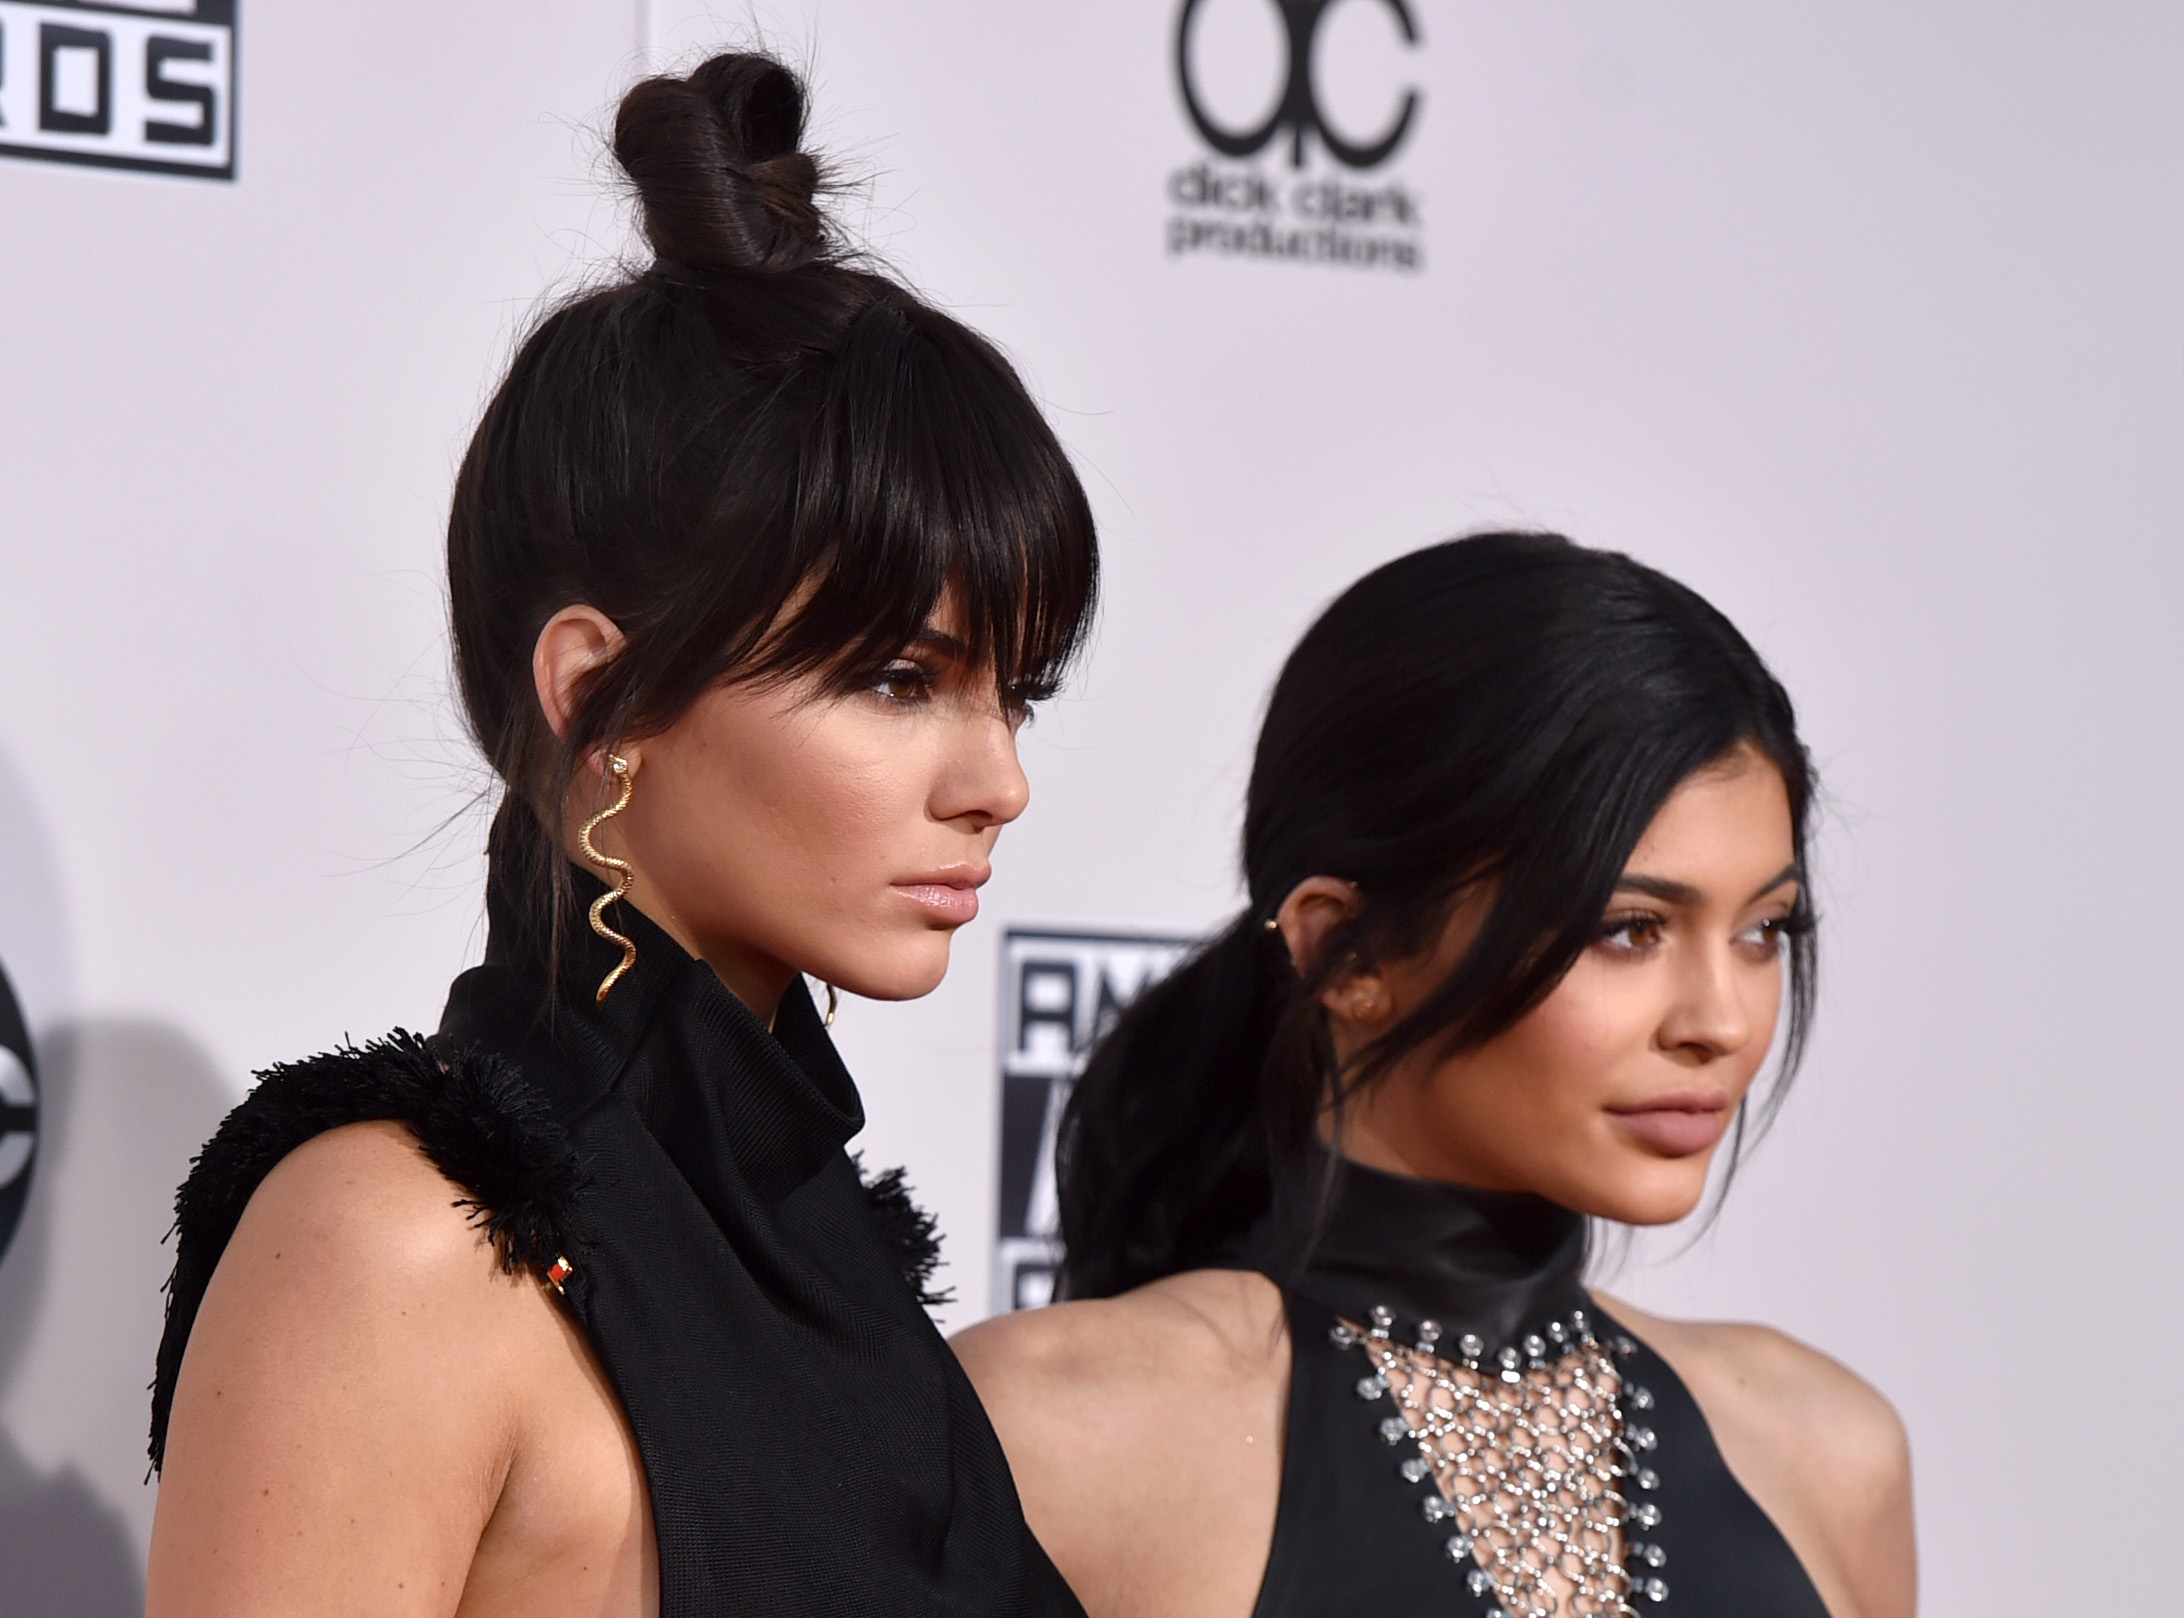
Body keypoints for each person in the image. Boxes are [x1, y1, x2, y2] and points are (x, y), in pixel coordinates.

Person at [146, 51, 1097, 1618]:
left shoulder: (828, 1259)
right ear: (603, 699)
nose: (998, 778)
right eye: (898, 677)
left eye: (1020, 690)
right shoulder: (393, 1247)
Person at [954, 534, 1916, 1618]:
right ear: (1346, 953)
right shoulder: (1063, 1433)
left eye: (1764, 929)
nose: (1724, 1020)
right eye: (1630, 929)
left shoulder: (1826, 1455)